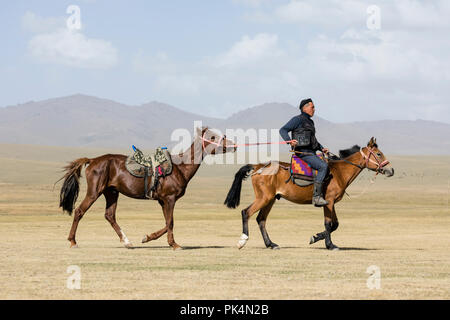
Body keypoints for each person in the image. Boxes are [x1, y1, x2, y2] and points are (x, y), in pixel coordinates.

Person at [279, 98, 329, 207]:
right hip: (303, 153)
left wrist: (322, 148)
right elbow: (283, 130)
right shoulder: (297, 120)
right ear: (305, 108)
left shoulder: (310, 122)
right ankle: (317, 197)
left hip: (311, 152)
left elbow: (313, 140)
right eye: (312, 107)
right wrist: (289, 140)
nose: (314, 109)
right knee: (323, 166)